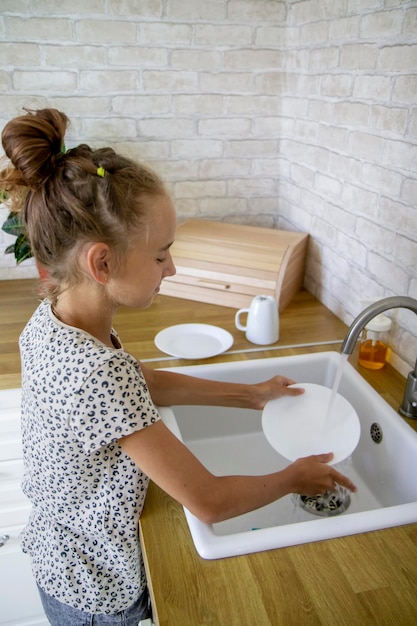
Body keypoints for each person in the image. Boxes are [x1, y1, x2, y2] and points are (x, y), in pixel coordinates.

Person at [0, 108, 356, 626]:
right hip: (97, 588)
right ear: (102, 263)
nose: (174, 268)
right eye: (162, 254)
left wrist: (249, 394)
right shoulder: (97, 372)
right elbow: (209, 501)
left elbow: (136, 383)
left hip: (63, 555)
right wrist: (293, 477)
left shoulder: (55, 320)